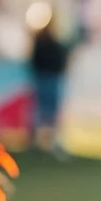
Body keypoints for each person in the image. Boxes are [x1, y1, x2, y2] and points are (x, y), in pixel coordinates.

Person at [28, 16, 70, 155]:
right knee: (42, 111)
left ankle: (50, 139)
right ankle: (39, 140)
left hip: (51, 78)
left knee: (49, 111)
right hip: (46, 78)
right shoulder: (43, 42)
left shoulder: (46, 43)